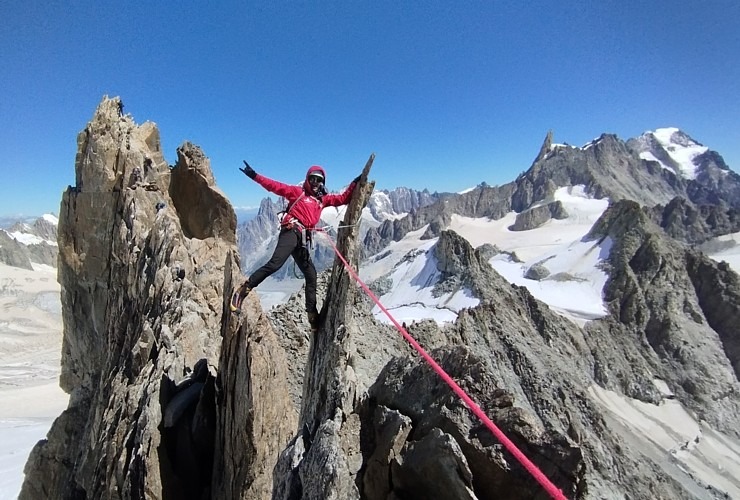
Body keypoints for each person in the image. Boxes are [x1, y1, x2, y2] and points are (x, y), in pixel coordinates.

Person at [230, 161, 361, 331]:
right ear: (307, 179)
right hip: (291, 232)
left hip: (301, 239)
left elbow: (343, 199)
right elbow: (274, 186)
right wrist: (255, 176)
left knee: (311, 274)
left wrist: (355, 182)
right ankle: (243, 290)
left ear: (322, 183)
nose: (315, 183)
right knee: (275, 264)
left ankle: (312, 314)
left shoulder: (322, 200)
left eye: (319, 180)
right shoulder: (297, 192)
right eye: (312, 179)